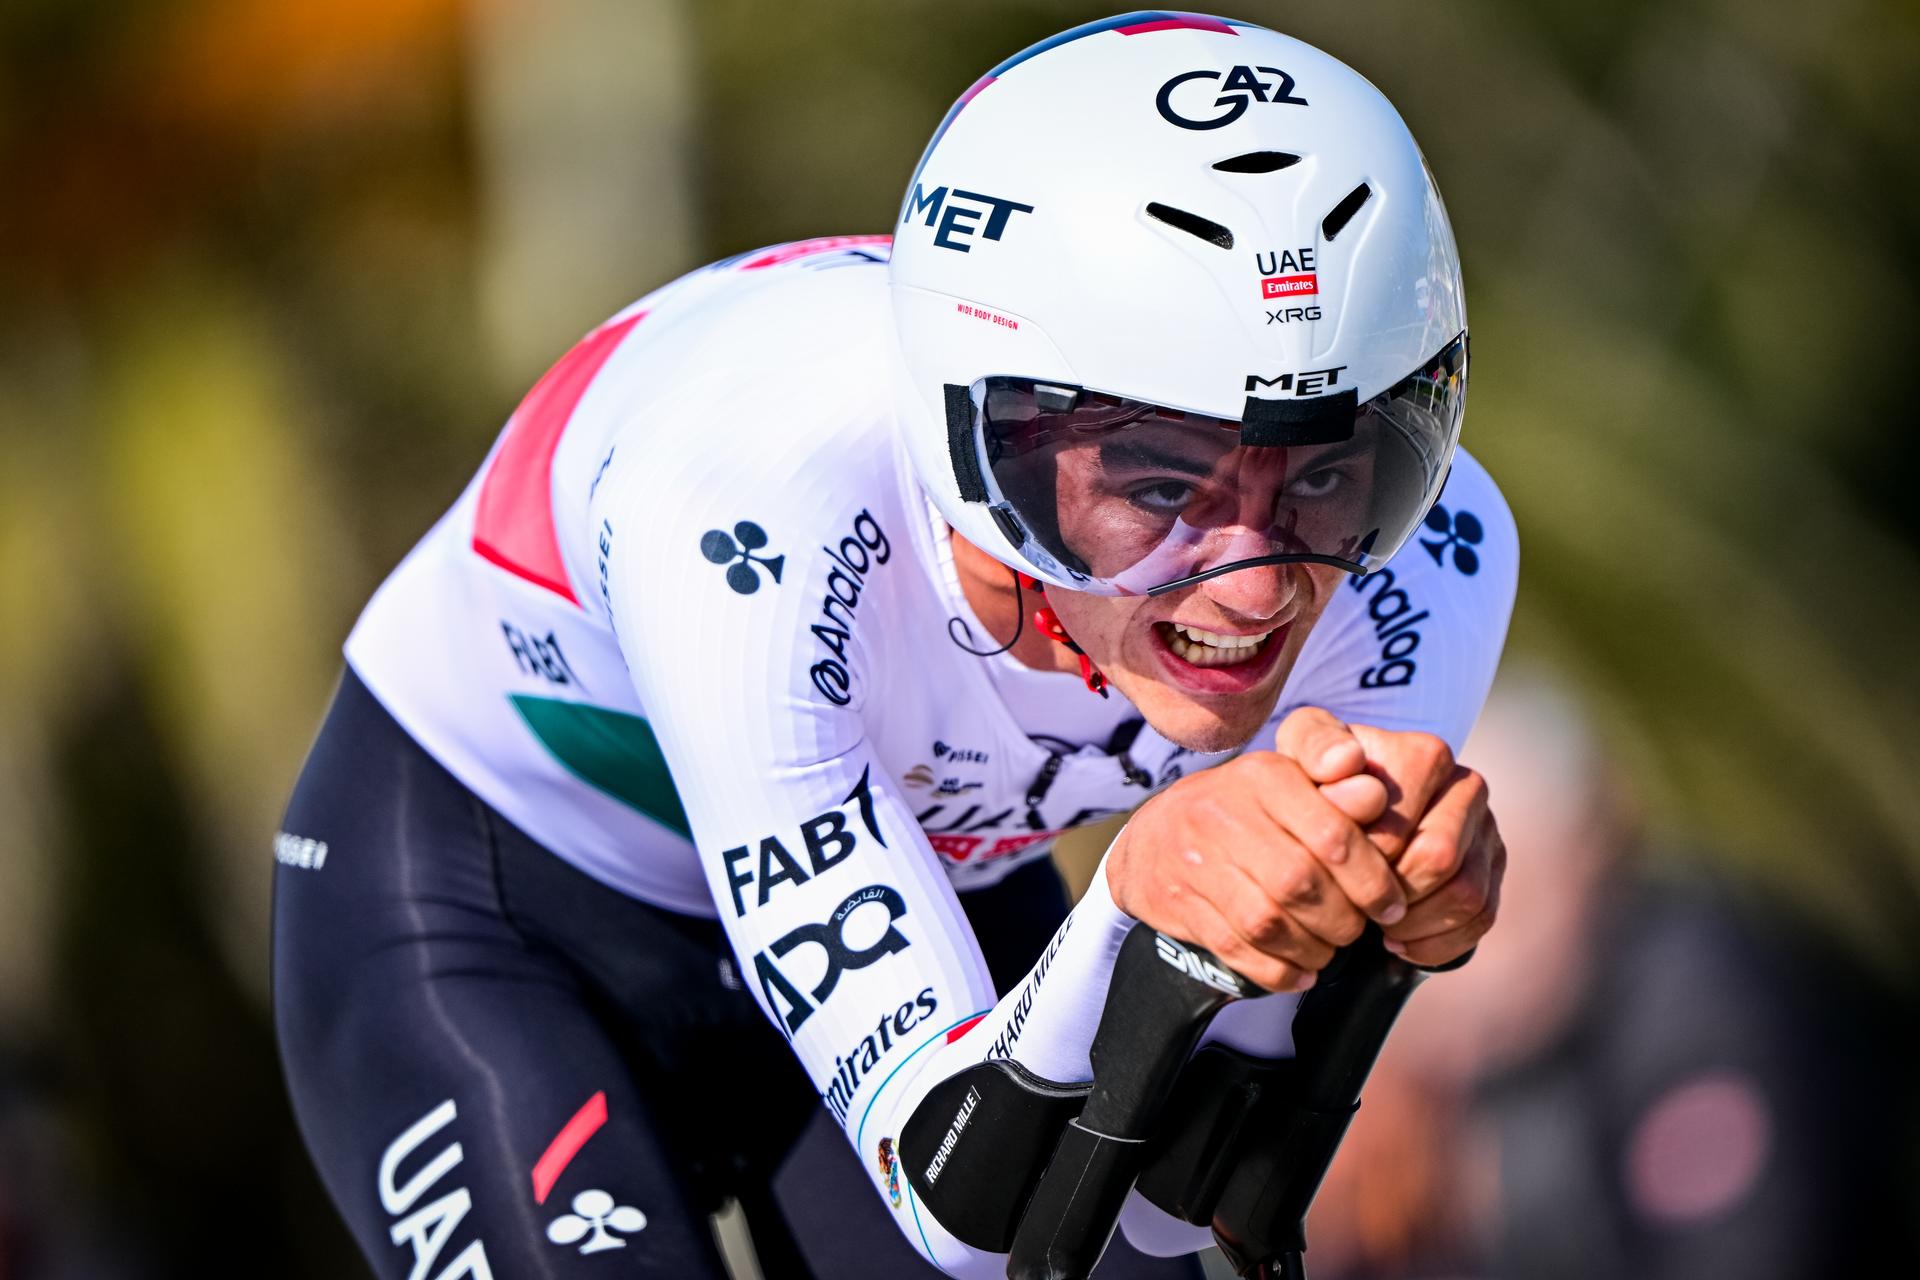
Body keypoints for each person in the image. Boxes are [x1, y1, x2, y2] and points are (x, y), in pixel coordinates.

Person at [272, 12, 1516, 1279]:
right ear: (986, 442)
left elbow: (1170, 1209)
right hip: (495, 908)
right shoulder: (752, 497)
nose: (1255, 589)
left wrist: (1371, 953)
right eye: (1160, 486)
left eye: (1326, 475)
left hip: (926, 876)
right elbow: (959, 1209)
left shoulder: (1432, 549)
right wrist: (1136, 908)